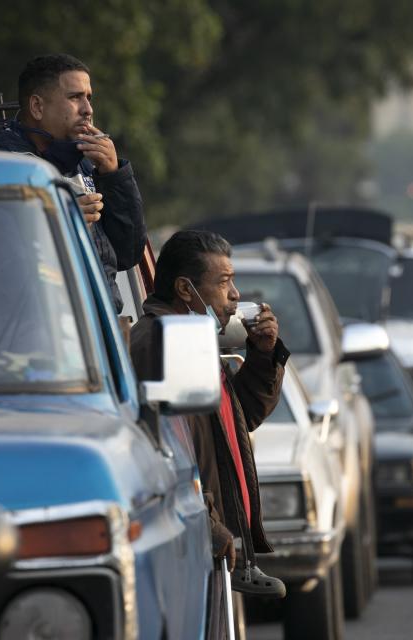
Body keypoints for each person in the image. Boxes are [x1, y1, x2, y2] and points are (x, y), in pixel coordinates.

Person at [129, 230, 290, 603]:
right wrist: (206, 521)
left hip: (215, 550)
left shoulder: (194, 339)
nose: (235, 294)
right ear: (187, 290)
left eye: (233, 282)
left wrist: (264, 357)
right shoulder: (161, 343)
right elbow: (163, 453)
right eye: (223, 282)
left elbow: (237, 419)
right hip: (191, 548)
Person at [0, 53, 146, 312]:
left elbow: (128, 254)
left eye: (89, 98)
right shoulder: (0, 166)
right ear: (37, 107)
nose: (88, 110)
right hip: (36, 329)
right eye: (74, 98)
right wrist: (55, 220)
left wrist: (114, 176)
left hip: (94, 325)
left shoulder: (81, 159)